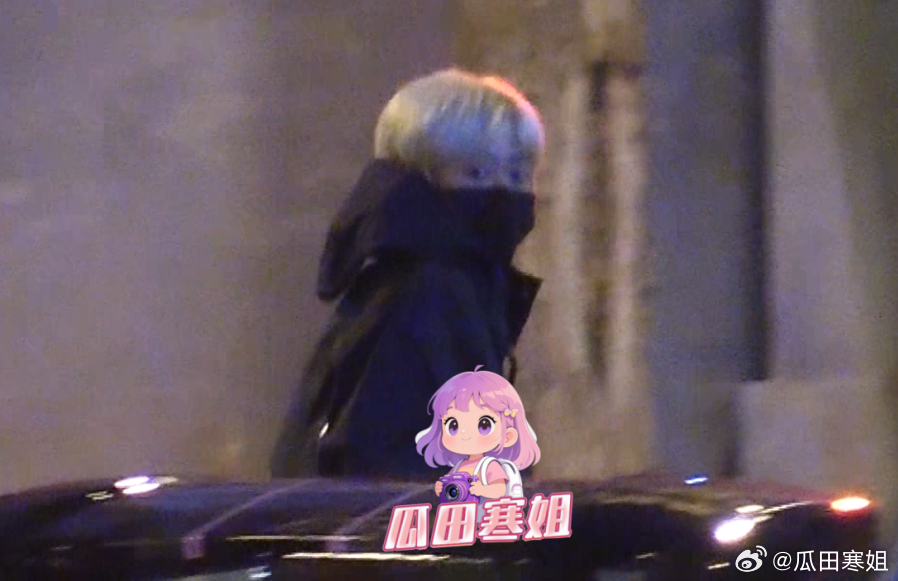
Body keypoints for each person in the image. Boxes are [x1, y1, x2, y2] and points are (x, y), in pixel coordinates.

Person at [270, 68, 545, 480]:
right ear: (422, 174)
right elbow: (394, 465)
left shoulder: (418, 278)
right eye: (475, 173)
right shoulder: (433, 291)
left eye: (518, 174)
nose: (503, 191)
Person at [416, 366, 539, 521]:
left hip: (488, 519)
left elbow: (500, 489)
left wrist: (481, 489)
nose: (465, 433)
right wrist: (440, 488)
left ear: (507, 436)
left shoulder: (489, 465)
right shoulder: (458, 467)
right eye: (453, 426)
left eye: (484, 425)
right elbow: (451, 490)